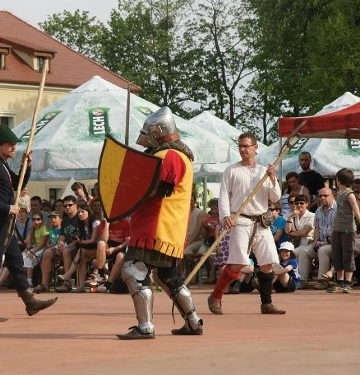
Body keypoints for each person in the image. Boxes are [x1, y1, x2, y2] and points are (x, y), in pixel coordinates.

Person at [117, 106, 203, 339]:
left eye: (148, 135)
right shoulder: (179, 155)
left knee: (134, 270)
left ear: (158, 133)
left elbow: (154, 188)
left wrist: (128, 179)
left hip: (155, 227)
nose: (145, 141)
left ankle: (145, 327)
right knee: (167, 277)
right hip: (168, 229)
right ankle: (193, 321)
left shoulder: (168, 155)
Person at [0, 124, 57, 322]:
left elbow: (18, 183)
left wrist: (26, 166)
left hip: (4, 222)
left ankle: (30, 302)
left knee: (16, 262)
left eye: (14, 145)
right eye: (9, 145)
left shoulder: (2, 163)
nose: (13, 148)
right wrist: (6, 207)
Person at [208, 131, 285, 316]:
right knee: (237, 263)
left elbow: (275, 197)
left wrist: (273, 178)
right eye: (240, 146)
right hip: (240, 219)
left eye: (246, 146)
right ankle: (216, 296)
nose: (243, 149)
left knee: (267, 263)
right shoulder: (232, 170)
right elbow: (224, 195)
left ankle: (266, 303)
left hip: (261, 220)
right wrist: (225, 215)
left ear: (255, 148)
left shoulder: (264, 172)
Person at [295, 188, 336, 290]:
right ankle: (303, 280)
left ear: (332, 195)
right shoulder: (318, 210)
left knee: (323, 250)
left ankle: (322, 281)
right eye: (320, 196)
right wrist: (315, 241)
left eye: (325, 195)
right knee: (303, 250)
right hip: (320, 243)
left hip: (334, 244)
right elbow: (317, 228)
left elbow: (338, 231)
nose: (322, 198)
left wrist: (325, 242)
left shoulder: (338, 209)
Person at [327, 168, 360, 293]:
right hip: (337, 229)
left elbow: (356, 211)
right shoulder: (339, 194)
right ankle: (340, 281)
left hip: (348, 229)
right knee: (337, 255)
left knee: (348, 254)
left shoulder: (350, 194)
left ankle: (348, 282)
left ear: (339, 180)